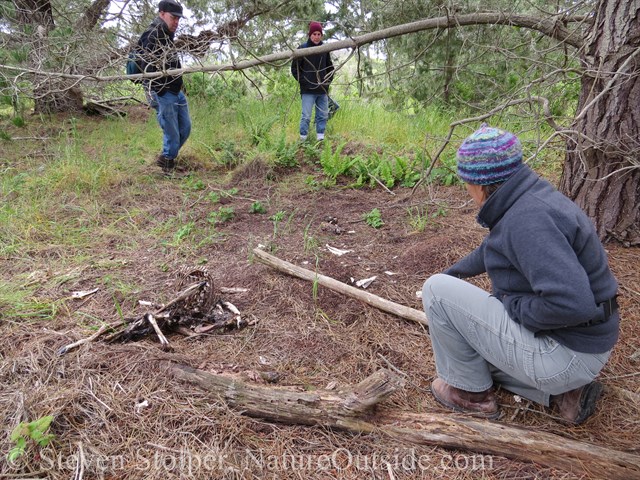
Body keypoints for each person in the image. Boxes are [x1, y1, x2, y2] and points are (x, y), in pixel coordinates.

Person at [421, 124, 620, 424]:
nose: (466, 190)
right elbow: (493, 248)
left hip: (568, 354)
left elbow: (572, 304)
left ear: (480, 184)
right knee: (467, 340)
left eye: (465, 182)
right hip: (584, 346)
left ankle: (472, 396)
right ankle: (564, 395)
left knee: (435, 291)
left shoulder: (528, 222)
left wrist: (511, 306)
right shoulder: (527, 200)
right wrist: (454, 274)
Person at [136, 0, 191, 174]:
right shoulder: (152, 34)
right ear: (161, 14)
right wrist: (160, 92)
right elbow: (146, 67)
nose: (176, 22)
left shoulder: (166, 34)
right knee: (172, 132)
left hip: (175, 91)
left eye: (178, 19)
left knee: (185, 128)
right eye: (173, 17)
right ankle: (167, 165)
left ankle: (166, 157)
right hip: (163, 92)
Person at [291, 21, 334, 142]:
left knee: (323, 115)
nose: (316, 36)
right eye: (314, 34)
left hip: (322, 90)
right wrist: (305, 83)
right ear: (310, 35)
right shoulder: (302, 49)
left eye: (319, 34)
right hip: (307, 91)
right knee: (306, 116)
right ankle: (303, 140)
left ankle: (320, 139)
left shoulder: (325, 49)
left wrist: (327, 82)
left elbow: (330, 68)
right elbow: (295, 69)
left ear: (321, 35)